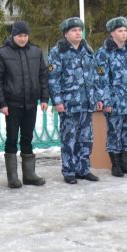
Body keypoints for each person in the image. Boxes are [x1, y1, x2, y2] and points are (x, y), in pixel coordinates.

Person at [47, 18, 104, 184]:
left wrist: (98, 97)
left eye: (80, 30)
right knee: (69, 138)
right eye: (74, 30)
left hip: (86, 103)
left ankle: (83, 169)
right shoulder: (58, 52)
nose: (78, 33)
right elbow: (53, 79)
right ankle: (69, 170)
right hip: (69, 104)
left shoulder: (87, 50)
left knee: (86, 139)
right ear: (66, 34)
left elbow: (94, 76)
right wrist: (57, 101)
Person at [0, 20, 48, 188]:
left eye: (25, 35)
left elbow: (43, 76)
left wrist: (44, 98)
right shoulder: (2, 53)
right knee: (11, 139)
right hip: (12, 104)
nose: (23, 39)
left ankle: (29, 175)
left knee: (27, 138)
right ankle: (13, 177)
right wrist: (2, 103)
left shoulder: (36, 51)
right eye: (19, 35)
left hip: (31, 103)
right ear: (13, 35)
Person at [94, 17, 127, 177]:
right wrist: (106, 101)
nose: (124, 34)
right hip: (115, 101)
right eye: (120, 31)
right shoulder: (104, 53)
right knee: (114, 132)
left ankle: (125, 163)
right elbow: (100, 79)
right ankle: (115, 165)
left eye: (125, 30)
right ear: (112, 33)